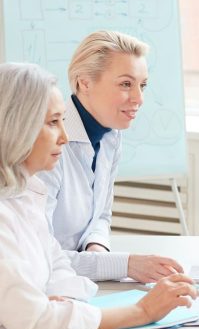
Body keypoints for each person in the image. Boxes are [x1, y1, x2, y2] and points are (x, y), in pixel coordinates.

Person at [0, 63, 198, 329]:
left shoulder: (29, 194)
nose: (64, 137)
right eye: (53, 122)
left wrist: (61, 305)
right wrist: (142, 312)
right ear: (17, 127)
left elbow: (57, 268)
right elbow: (35, 325)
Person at [37, 30, 183, 283]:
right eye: (126, 84)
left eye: (142, 85)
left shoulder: (111, 135)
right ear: (84, 82)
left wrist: (98, 249)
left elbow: (100, 216)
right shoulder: (47, 144)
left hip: (77, 280)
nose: (139, 98)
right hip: (43, 286)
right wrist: (124, 265)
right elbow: (39, 254)